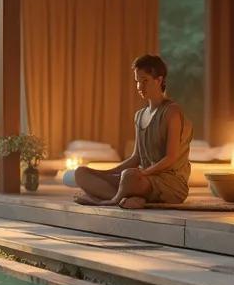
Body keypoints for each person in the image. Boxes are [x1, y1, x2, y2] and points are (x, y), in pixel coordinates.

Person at [72, 54, 193, 209]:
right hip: (141, 179)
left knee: (130, 176)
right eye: (137, 81)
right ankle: (130, 197)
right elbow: (136, 157)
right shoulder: (139, 115)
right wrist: (107, 173)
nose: (140, 87)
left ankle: (111, 200)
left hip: (169, 184)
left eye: (145, 81)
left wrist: (144, 173)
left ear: (159, 80)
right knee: (81, 173)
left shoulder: (171, 112)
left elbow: (171, 157)